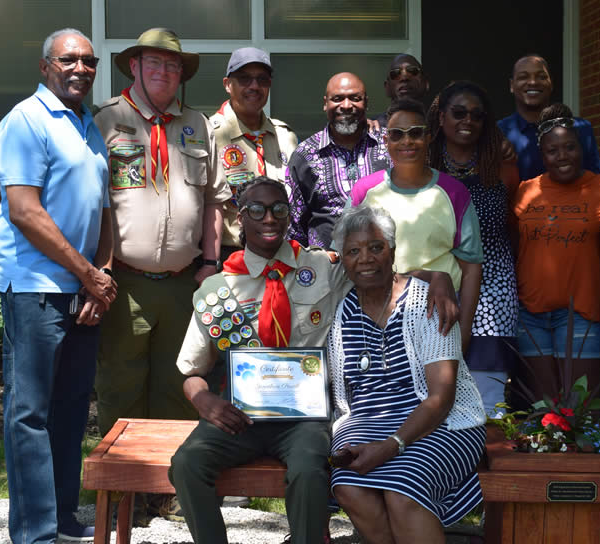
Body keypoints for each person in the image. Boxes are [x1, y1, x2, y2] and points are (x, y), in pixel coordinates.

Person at [168, 177, 459, 544]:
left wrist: (438, 276)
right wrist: (204, 400)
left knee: (309, 469)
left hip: (304, 418)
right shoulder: (218, 290)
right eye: (257, 210)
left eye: (279, 209)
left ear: (290, 215)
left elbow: (376, 268)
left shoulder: (323, 267)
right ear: (241, 218)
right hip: (241, 415)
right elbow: (191, 370)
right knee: (186, 463)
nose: (269, 218)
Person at [92, 28, 231, 515]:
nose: (164, 72)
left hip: (183, 283)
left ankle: (169, 489)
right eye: (154, 63)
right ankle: (121, 492)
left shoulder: (197, 124)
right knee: (121, 389)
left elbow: (215, 200)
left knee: (179, 387)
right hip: (124, 280)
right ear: (134, 67)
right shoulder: (107, 119)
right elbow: (93, 201)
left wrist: (211, 262)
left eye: (173, 66)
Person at [0, 28, 117, 542]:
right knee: (30, 414)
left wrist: (102, 276)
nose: (81, 69)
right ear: (46, 65)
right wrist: (87, 275)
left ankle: (63, 519)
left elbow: (104, 212)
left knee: (71, 409)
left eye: (89, 61)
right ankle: (34, 532)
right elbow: (26, 212)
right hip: (35, 289)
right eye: (69, 60)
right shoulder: (25, 121)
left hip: (81, 290)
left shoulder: (88, 125)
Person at [327, 205, 486, 544]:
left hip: (438, 422)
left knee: (403, 489)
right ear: (343, 258)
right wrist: (436, 273)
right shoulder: (342, 305)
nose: (365, 258)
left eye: (376, 247)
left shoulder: (426, 302)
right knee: (347, 485)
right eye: (353, 251)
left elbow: (441, 399)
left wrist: (391, 446)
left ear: (392, 251)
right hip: (366, 419)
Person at [349, 98, 483, 356]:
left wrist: (464, 332)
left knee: (438, 394)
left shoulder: (454, 193)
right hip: (377, 315)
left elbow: (471, 268)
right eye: (397, 135)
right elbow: (348, 256)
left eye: (416, 133)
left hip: (438, 316)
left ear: (429, 137)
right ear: (386, 141)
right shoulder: (364, 191)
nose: (407, 142)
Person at [511, 103, 600, 403]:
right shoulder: (525, 191)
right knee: (544, 411)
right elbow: (517, 245)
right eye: (552, 151)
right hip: (531, 314)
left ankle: (587, 454)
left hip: (582, 312)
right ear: (542, 156)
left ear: (581, 148)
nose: (562, 156)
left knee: (581, 409)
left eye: (569, 147)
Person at [427, 80, 519, 414]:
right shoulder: (425, 168)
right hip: (439, 287)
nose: (468, 120)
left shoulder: (502, 166)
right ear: (441, 118)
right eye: (459, 113)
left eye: (477, 116)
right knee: (433, 396)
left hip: (493, 292)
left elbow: (514, 227)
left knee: (488, 401)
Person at [210, 47, 298, 261]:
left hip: (280, 255)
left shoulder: (285, 136)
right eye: (244, 79)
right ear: (227, 85)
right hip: (230, 256)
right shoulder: (209, 134)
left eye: (262, 80)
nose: (254, 86)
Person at [285, 72, 390, 248]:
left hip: (385, 266)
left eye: (355, 98)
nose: (347, 105)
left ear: (366, 103)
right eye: (338, 98)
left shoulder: (389, 145)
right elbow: (295, 226)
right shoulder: (305, 155)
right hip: (325, 267)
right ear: (325, 104)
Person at [498, 54, 600, 181]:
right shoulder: (499, 133)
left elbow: (596, 182)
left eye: (541, 77)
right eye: (523, 77)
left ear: (551, 83)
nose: (532, 82)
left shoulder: (580, 128)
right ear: (511, 85)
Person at [373, 54, 429, 126]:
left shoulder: (440, 127)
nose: (404, 78)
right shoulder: (371, 130)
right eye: (395, 73)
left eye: (412, 71)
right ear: (387, 87)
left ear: (426, 84)